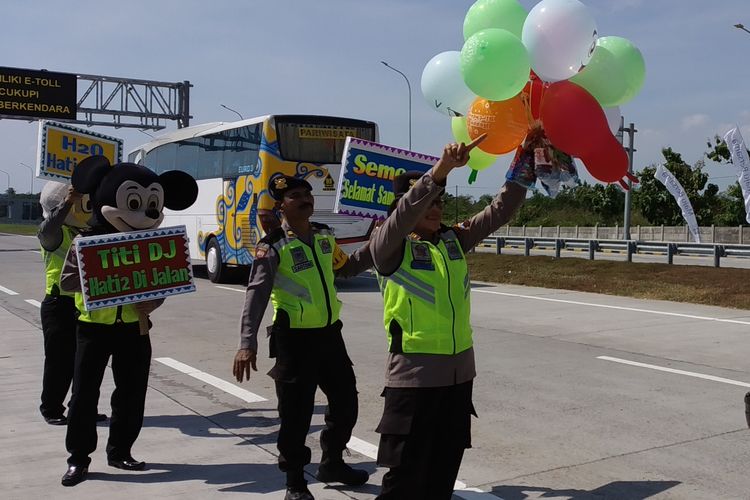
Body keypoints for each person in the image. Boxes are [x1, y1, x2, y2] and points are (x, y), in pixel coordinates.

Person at [368, 135, 529, 499]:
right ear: (404, 208)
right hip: (414, 378)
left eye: (439, 202)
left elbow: (500, 210)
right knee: (405, 478)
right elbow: (407, 213)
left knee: (443, 471)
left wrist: (525, 165)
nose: (435, 209)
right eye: (427, 204)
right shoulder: (390, 246)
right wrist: (440, 171)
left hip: (458, 375)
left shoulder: (453, 240)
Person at [233, 175, 372, 500]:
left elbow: (346, 268)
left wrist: (375, 244)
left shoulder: (324, 236)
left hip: (329, 336)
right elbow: (257, 294)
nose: (305, 200)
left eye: (307, 195)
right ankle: (295, 482)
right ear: (281, 204)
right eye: (296, 195)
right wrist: (246, 342)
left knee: (346, 403)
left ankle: (332, 462)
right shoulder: (273, 245)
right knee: (295, 415)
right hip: (293, 340)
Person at [37, 182, 106, 425]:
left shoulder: (86, 233)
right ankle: (52, 408)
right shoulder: (54, 234)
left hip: (83, 305)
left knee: (85, 362)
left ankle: (83, 407)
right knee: (59, 360)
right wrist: (68, 202)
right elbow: (49, 228)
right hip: (58, 304)